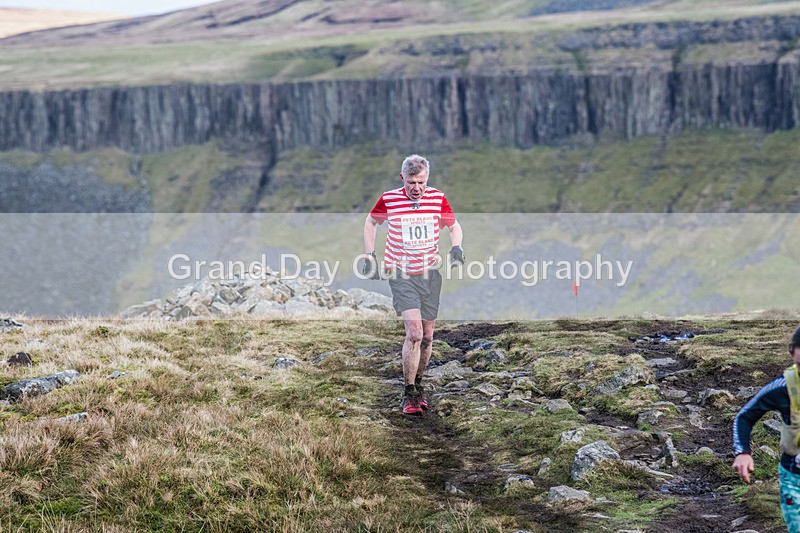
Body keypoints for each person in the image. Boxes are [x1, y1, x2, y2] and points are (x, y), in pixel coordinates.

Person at [362, 154, 464, 416]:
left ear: (426, 179)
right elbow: (371, 221)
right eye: (411, 183)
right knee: (415, 333)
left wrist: (456, 247)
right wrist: (370, 254)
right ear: (402, 179)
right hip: (401, 274)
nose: (416, 188)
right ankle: (408, 394)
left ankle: (419, 387)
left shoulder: (437, 198)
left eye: (421, 182)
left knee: (428, 337)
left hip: (430, 275)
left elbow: (453, 226)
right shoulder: (390, 199)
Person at [732, 325, 800, 532]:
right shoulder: (782, 387)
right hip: (795, 478)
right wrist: (743, 453)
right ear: (792, 352)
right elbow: (744, 417)